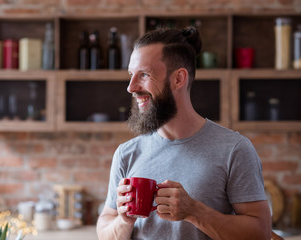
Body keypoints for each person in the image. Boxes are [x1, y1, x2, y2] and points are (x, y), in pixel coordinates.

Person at [96, 27, 271, 240]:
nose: (131, 87)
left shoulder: (234, 149)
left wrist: (195, 212)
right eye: (131, 75)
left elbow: (260, 234)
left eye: (144, 75)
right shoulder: (126, 153)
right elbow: (105, 229)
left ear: (179, 79)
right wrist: (124, 220)